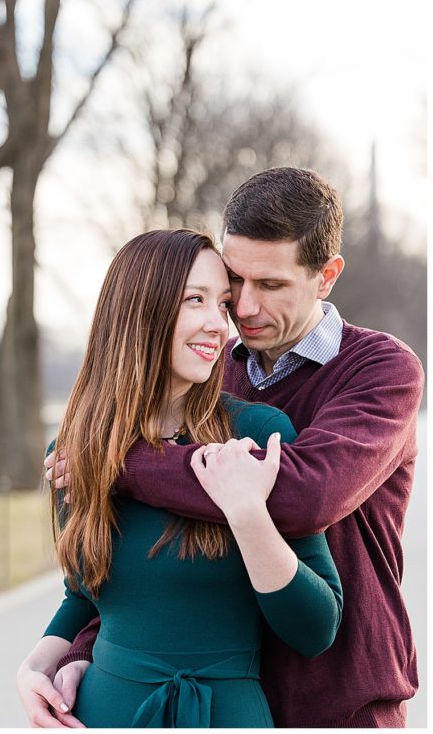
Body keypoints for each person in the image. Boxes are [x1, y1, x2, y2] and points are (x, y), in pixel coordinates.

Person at [34, 167, 423, 727]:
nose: (242, 309)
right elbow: (145, 568)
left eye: (270, 285)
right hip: (235, 692)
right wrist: (74, 655)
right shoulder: (210, 381)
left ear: (327, 276)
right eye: (234, 282)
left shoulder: (381, 370)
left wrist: (111, 459)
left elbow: (300, 495)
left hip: (340, 697)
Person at [15, 228, 342, 727]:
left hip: (226, 715)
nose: (219, 324)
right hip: (102, 715)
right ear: (138, 311)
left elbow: (316, 628)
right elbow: (81, 592)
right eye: (196, 300)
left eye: (223, 304)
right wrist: (35, 665)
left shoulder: (254, 434)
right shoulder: (73, 452)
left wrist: (247, 512)